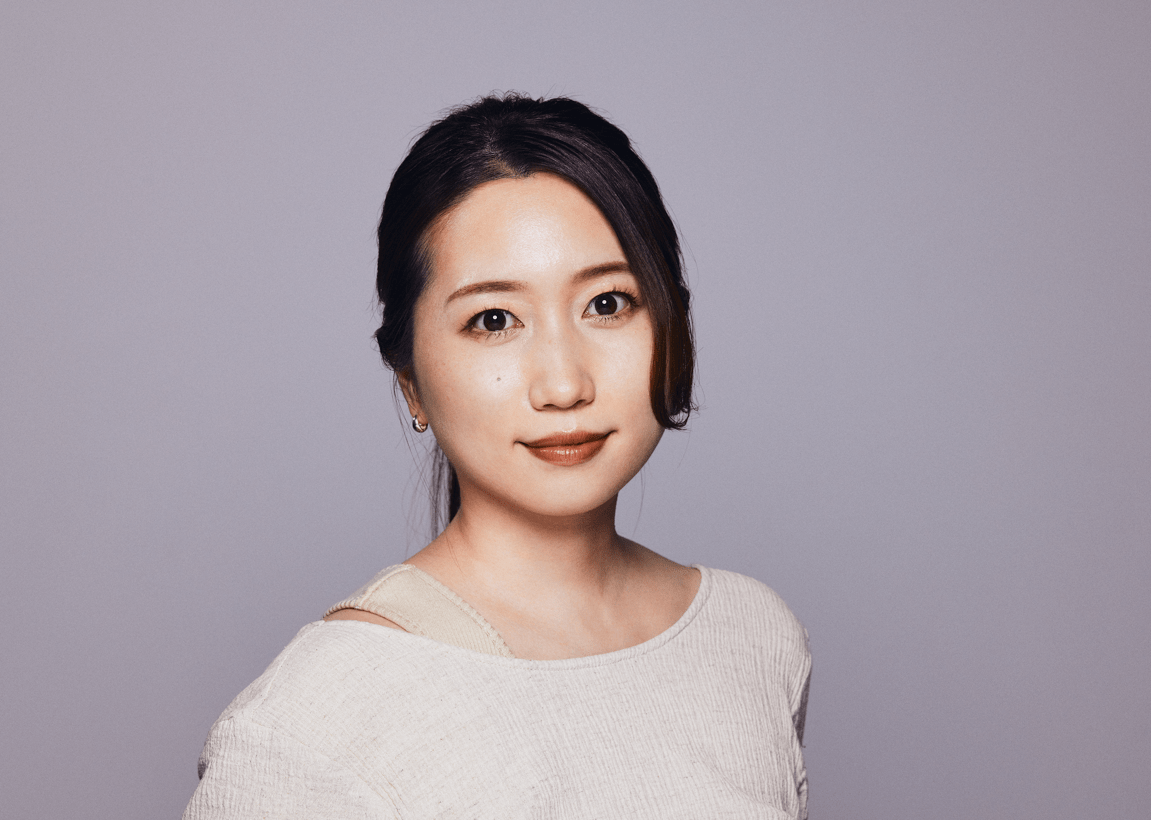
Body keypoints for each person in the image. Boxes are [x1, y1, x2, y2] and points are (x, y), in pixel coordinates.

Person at [183, 93, 811, 819]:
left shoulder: (750, 636)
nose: (564, 385)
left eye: (608, 303)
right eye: (493, 320)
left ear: (674, 323)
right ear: (410, 379)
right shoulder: (312, 724)